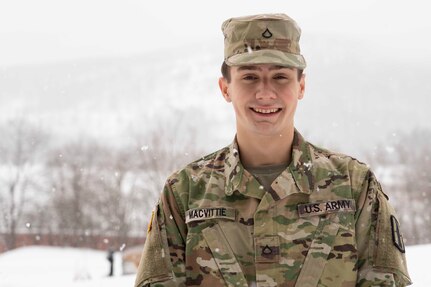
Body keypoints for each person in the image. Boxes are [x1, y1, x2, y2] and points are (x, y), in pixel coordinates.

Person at [134, 13, 411, 287]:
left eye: (280, 77)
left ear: (301, 86)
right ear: (225, 88)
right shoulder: (185, 193)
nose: (265, 93)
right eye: (250, 77)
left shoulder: (355, 185)